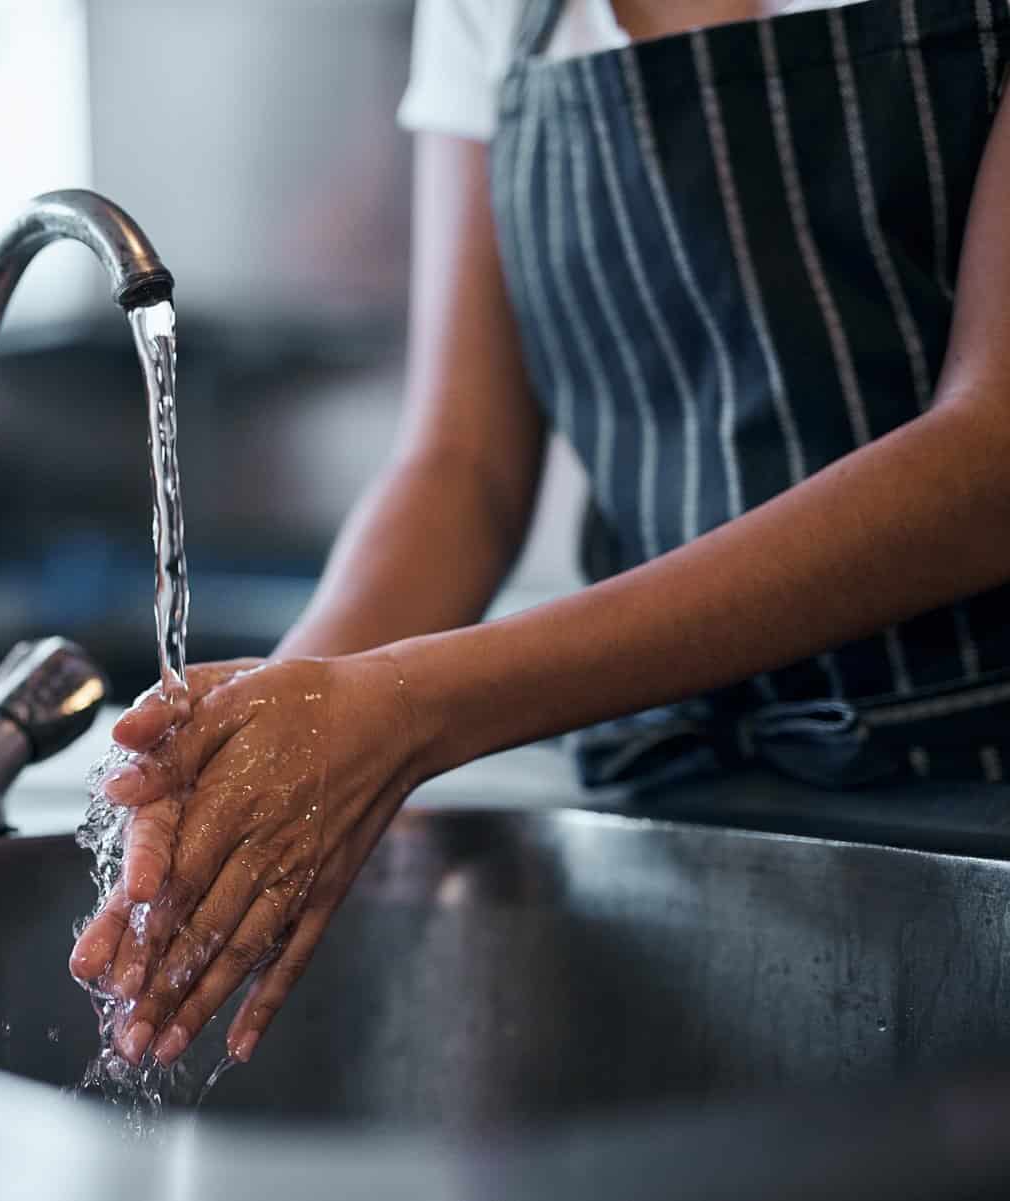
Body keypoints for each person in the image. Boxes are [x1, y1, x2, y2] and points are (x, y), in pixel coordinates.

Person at [69, 0, 1010, 1071]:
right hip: (676, 810)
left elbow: (991, 459)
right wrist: (280, 739)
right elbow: (461, 467)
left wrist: (414, 705)